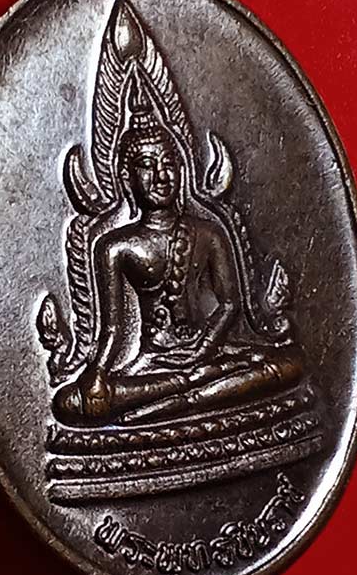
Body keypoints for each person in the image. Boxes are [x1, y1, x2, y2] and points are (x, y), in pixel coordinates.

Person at [53, 72, 302, 426]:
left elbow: (229, 304)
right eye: (147, 166)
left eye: (169, 164)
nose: (161, 175)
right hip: (153, 366)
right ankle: (187, 394)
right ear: (126, 178)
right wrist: (97, 373)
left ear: (183, 171)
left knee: (290, 364)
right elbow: (112, 332)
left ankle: (181, 402)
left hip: (208, 353)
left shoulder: (207, 233)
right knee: (71, 402)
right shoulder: (115, 247)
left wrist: (205, 347)